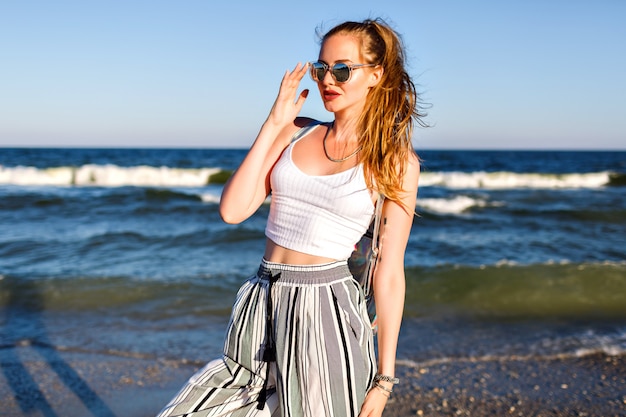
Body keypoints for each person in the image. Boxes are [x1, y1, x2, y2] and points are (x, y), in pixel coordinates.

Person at [156, 18, 425, 417]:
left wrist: (384, 380)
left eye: (342, 69)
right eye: (320, 69)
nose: (327, 80)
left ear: (375, 75)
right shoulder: (295, 132)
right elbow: (233, 210)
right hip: (261, 296)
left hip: (327, 308)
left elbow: (389, 270)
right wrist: (274, 123)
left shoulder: (395, 162)